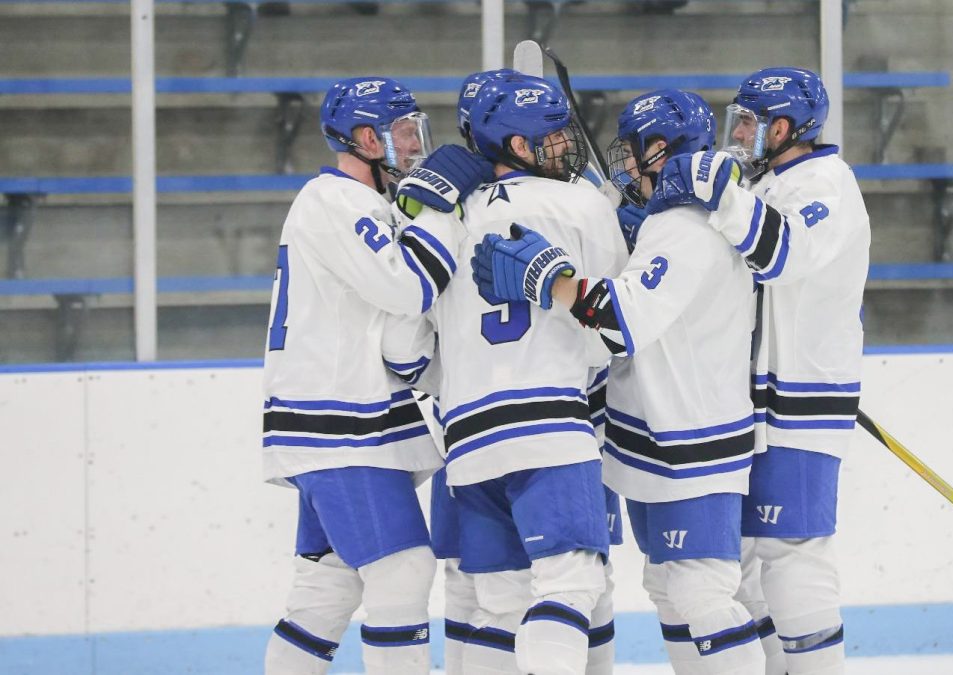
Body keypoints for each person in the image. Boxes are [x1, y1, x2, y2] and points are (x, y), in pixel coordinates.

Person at [472, 89, 764, 675]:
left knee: (703, 593)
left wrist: (550, 277)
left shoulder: (687, 229)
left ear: (659, 149)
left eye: (632, 152)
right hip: (660, 439)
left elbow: (618, 324)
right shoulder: (670, 224)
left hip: (693, 442)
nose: (625, 163)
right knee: (669, 587)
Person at [397, 72, 628, 675]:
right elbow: (617, 333)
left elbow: (407, 349)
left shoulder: (446, 217)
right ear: (518, 147)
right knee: (573, 586)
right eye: (552, 135)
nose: (566, 145)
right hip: (552, 425)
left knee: (499, 609)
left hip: (467, 440)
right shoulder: (580, 203)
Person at [261, 76, 490, 675]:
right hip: (340, 423)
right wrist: (440, 212)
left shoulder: (368, 205)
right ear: (368, 138)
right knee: (403, 571)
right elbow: (407, 287)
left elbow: (397, 330)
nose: (418, 144)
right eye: (407, 131)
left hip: (347, 418)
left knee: (327, 587)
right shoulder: (335, 202)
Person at [648, 66, 872, 675]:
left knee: (792, 552)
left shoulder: (826, 182)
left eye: (747, 121)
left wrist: (719, 194)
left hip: (799, 401)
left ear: (782, 127)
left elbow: (783, 254)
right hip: (749, 403)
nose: (737, 132)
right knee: (740, 562)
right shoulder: (770, 182)